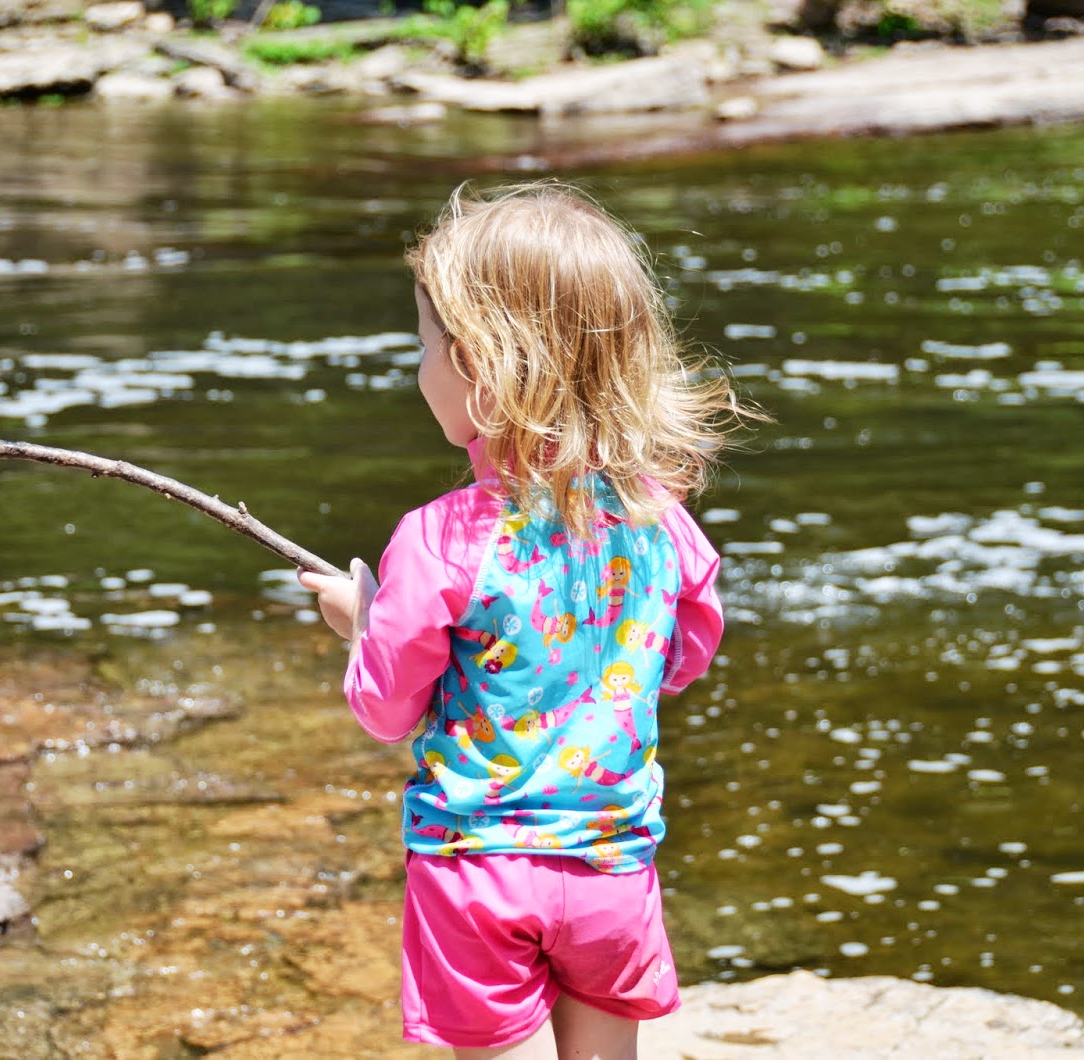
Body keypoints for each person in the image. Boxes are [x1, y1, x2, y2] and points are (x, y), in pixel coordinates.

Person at [298, 181, 760, 1060]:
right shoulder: (661, 520)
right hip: (613, 863)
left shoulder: (439, 538)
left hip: (475, 869)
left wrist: (363, 622)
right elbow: (687, 652)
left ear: (482, 365)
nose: (419, 369)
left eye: (425, 346)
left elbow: (386, 708)